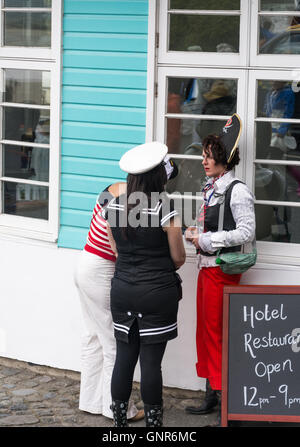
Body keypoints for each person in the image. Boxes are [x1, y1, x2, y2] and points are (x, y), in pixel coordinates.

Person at [105, 142, 185, 427]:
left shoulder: (112, 206)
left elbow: (116, 251)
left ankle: (119, 425)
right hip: (156, 293)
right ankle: (154, 427)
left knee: (124, 358)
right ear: (156, 176)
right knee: (151, 363)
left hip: (123, 290)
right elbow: (178, 258)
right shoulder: (166, 208)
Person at [184, 114, 256, 424]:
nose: (204, 161)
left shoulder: (237, 190)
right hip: (206, 269)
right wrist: (194, 233)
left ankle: (228, 401)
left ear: (224, 158)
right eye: (203, 156)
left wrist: (207, 238)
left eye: (209, 156)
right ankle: (211, 393)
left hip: (222, 270)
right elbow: (209, 226)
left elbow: (247, 232)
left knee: (218, 335)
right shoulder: (211, 188)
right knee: (205, 333)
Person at [74, 182, 143, 422]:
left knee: (92, 336)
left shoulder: (112, 187)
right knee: (115, 342)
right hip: (102, 270)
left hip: (84, 263)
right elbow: (123, 249)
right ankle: (117, 408)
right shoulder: (132, 201)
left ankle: (91, 401)